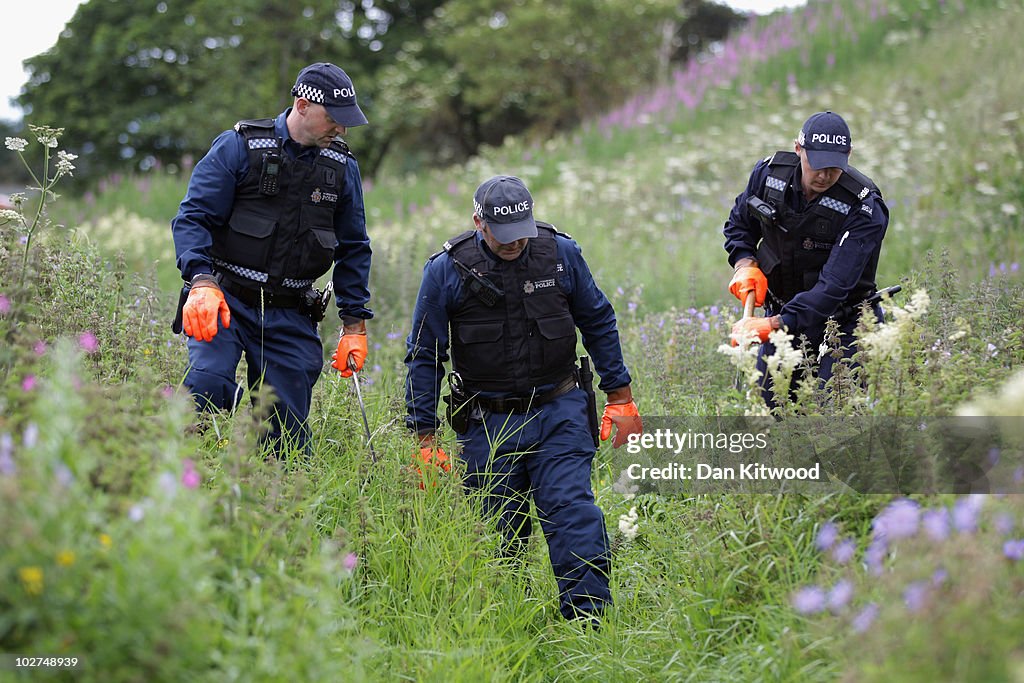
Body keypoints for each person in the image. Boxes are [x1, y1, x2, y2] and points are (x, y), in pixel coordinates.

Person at [404, 175, 642, 624]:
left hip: (559, 409)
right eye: (505, 235)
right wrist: (424, 435)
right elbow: (424, 354)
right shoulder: (446, 270)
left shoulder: (560, 254)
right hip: (486, 421)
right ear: (480, 223)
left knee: (573, 513)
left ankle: (589, 624)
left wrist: (620, 396)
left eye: (523, 233)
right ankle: (509, 624)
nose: (516, 244)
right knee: (497, 532)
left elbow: (598, 320)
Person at [171, 62, 373, 454]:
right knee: (208, 386)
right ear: (301, 105)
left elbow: (354, 247)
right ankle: (178, 474)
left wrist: (354, 325)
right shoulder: (238, 147)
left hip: (290, 312)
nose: (341, 130)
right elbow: (193, 218)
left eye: (346, 122)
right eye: (333, 119)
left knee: (287, 440)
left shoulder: (342, 168)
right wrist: (201, 282)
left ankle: (271, 505)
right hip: (223, 299)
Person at [724, 111, 889, 408]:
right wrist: (744, 264)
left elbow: (833, 288)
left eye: (834, 167)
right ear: (799, 149)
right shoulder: (769, 175)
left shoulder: (864, 207)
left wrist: (773, 324)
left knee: (832, 416)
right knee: (768, 411)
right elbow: (739, 225)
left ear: (848, 156)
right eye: (817, 164)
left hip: (845, 323)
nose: (824, 175)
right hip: (785, 315)